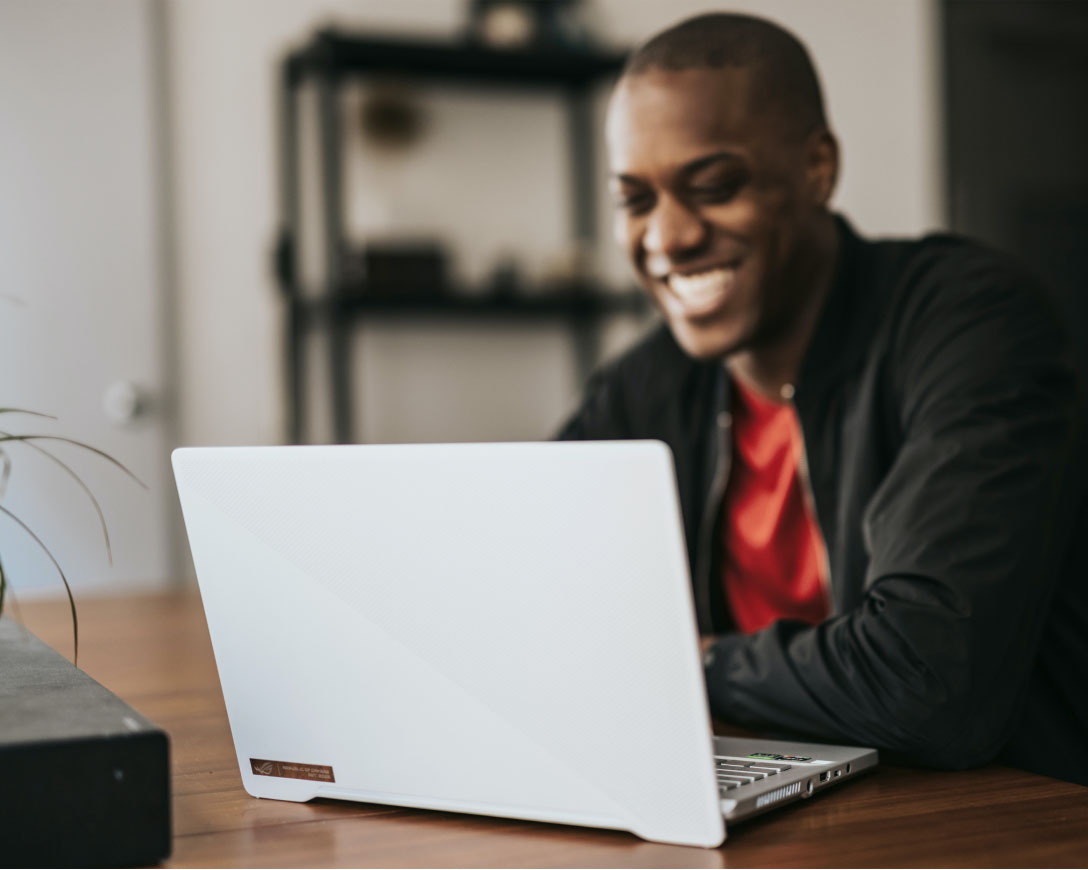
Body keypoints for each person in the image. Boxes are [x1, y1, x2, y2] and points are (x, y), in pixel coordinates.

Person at [559, 12, 1088, 786]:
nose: (667, 238)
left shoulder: (972, 321)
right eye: (635, 201)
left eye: (713, 187)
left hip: (1002, 817)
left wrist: (689, 658)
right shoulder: (647, 383)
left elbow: (924, 685)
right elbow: (530, 602)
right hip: (782, 797)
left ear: (818, 167)